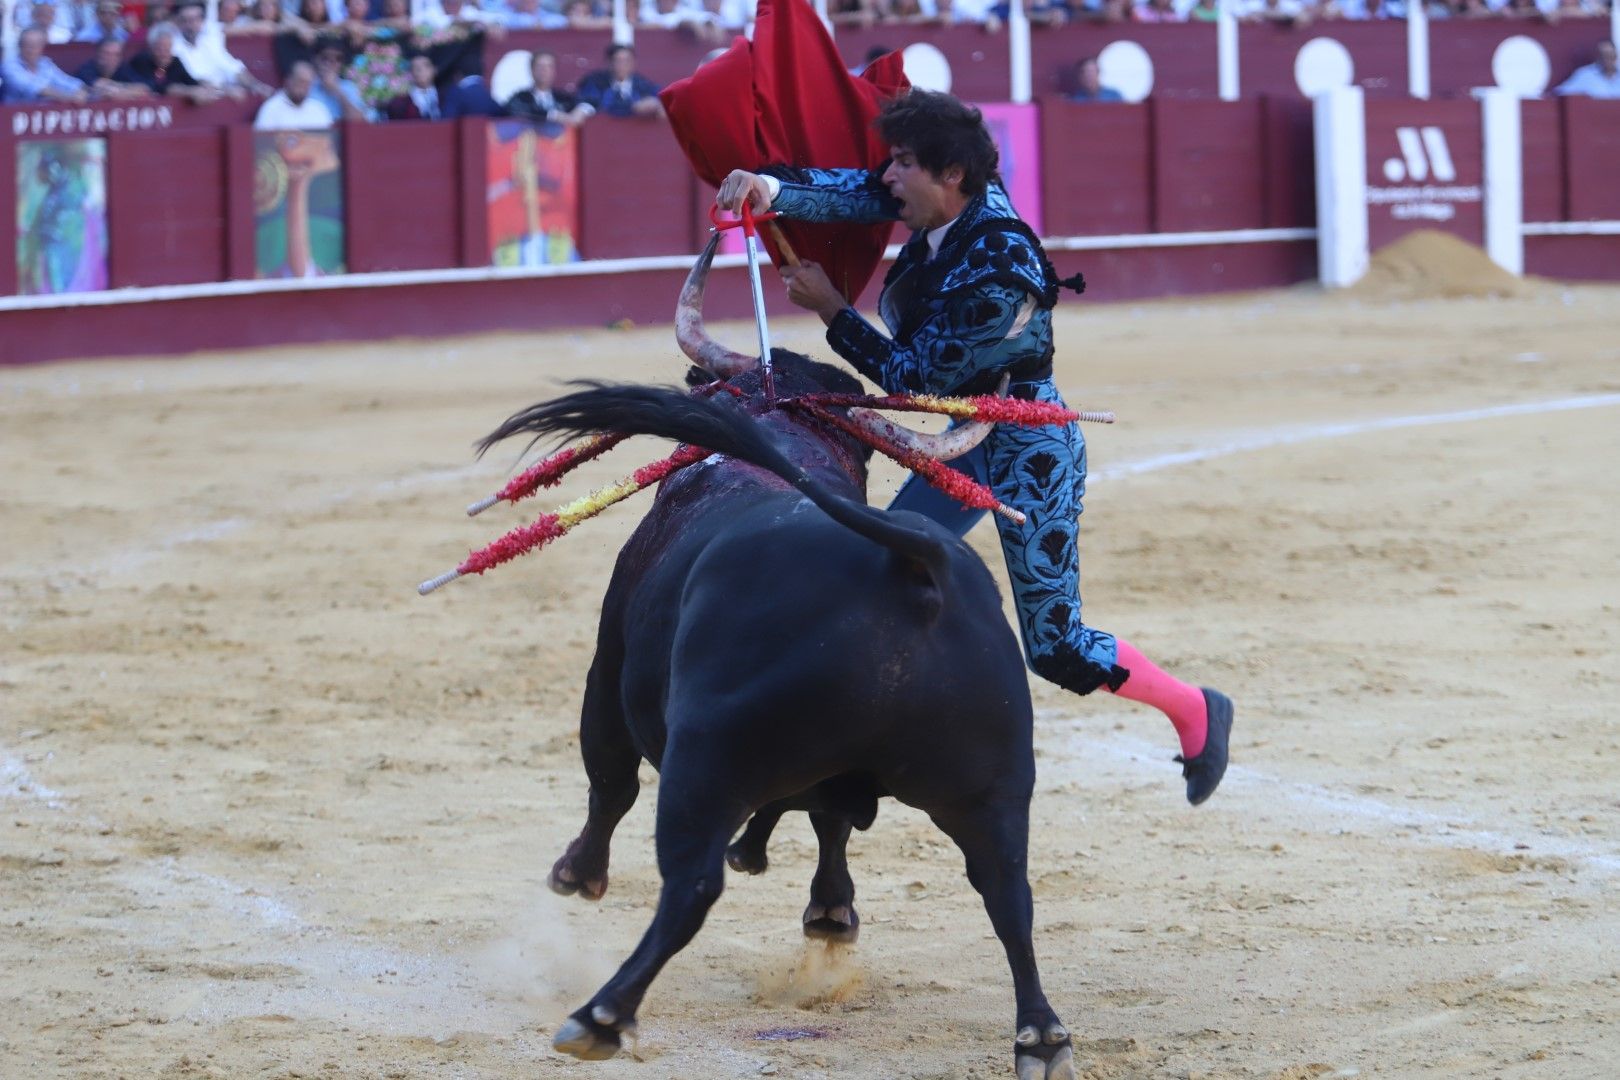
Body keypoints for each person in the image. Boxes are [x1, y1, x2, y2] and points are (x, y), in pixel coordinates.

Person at [715, 90, 1234, 805]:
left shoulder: (1001, 266)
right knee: (882, 569)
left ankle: (1194, 708)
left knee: (1055, 646)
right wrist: (769, 187)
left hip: (1028, 443)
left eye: (903, 164)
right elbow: (862, 193)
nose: (888, 178)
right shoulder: (947, 205)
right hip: (968, 432)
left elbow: (916, 377)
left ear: (951, 173)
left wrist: (833, 311)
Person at [171, 0, 273, 97]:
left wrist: (255, 85)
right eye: (185, 20)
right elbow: (193, 79)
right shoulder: (173, 45)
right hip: (197, 103)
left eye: (195, 19)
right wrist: (224, 90)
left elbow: (231, 67)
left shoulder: (210, 37)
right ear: (177, 22)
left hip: (222, 94)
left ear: (202, 21)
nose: (190, 25)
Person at [130, 25, 223, 102]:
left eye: (167, 47)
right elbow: (155, 87)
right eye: (159, 48)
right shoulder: (142, 61)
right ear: (151, 48)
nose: (163, 52)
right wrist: (187, 91)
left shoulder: (175, 61)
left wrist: (204, 85)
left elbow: (190, 82)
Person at [505, 49, 593, 125]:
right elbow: (516, 111)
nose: (544, 70)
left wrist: (581, 110)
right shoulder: (521, 98)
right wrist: (555, 116)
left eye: (549, 66)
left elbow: (592, 102)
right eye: (540, 66)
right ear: (532, 70)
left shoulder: (563, 98)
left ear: (554, 71)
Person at [1, 27, 89, 102]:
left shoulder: (45, 64)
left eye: (35, 46)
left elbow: (64, 81)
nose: (30, 50)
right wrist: (68, 97)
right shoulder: (9, 65)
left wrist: (83, 89)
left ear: (42, 47)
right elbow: (33, 88)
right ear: (19, 46)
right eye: (26, 45)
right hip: (12, 117)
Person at [577, 43, 663, 118]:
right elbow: (593, 103)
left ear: (633, 63)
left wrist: (656, 104)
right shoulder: (595, 82)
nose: (623, 65)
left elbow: (659, 95)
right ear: (609, 63)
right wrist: (633, 107)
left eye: (627, 61)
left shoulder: (642, 84)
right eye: (618, 60)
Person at [254, 58, 335, 126]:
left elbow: (329, 142)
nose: (304, 87)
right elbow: (263, 143)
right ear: (288, 80)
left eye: (308, 83)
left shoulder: (319, 110)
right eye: (300, 82)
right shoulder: (271, 109)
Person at [74, 36, 153, 98]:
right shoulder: (87, 69)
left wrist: (118, 90)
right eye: (107, 54)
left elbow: (145, 87)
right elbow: (99, 86)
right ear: (98, 55)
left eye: (116, 54)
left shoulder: (123, 68)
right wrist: (127, 91)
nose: (111, 58)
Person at [1555, 40, 1620, 98]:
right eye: (1603, 55)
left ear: (1616, 56)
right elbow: (1560, 92)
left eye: (1610, 55)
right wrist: (1580, 96)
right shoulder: (1585, 75)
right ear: (1598, 57)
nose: (1607, 60)